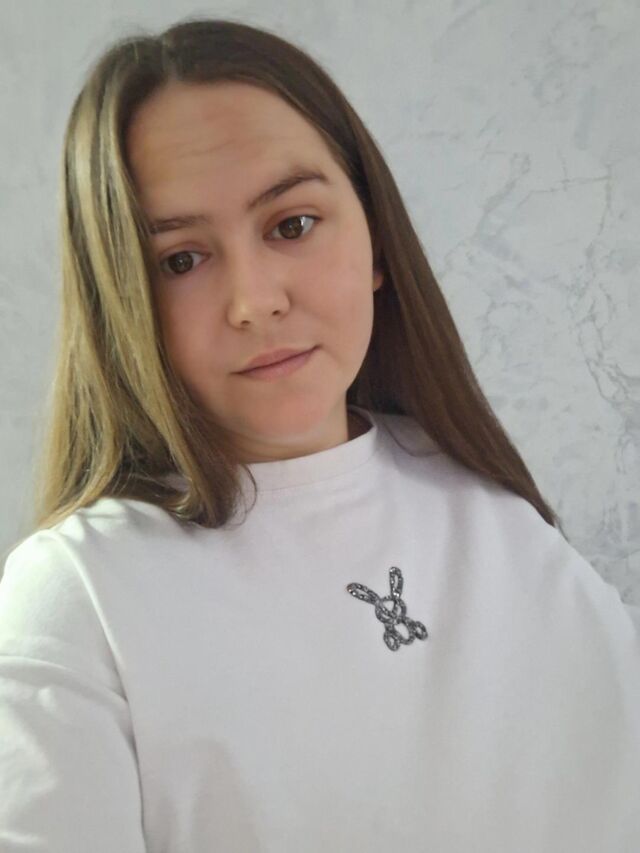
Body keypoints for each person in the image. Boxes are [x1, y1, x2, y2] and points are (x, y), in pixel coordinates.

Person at [0, 16, 638, 853]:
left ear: (375, 240)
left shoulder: (504, 524)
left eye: (291, 225)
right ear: (121, 304)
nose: (254, 300)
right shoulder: (78, 596)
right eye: (180, 260)